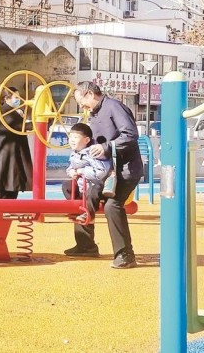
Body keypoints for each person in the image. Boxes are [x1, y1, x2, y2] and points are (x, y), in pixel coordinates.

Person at [67, 81, 143, 269]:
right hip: (107, 170)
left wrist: (107, 147)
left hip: (124, 170)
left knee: (112, 205)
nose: (82, 107)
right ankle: (85, 245)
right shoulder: (95, 113)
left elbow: (130, 134)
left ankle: (125, 255)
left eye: (81, 102)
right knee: (73, 189)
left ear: (90, 94)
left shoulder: (113, 107)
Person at [65, 122, 112, 225]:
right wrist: (71, 172)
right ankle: (75, 209)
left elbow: (102, 171)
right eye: (70, 137)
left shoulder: (93, 152)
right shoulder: (74, 154)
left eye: (76, 137)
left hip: (96, 187)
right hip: (83, 186)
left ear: (86, 140)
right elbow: (71, 167)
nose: (72, 140)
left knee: (92, 190)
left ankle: (89, 214)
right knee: (67, 185)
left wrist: (81, 171)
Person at [0, 87, 33, 199]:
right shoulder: (4, 111)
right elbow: (19, 126)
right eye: (16, 97)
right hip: (8, 150)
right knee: (4, 180)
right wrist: (38, 123)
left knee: (14, 179)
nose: (19, 100)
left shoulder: (13, 111)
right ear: (7, 98)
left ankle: (9, 204)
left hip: (15, 149)